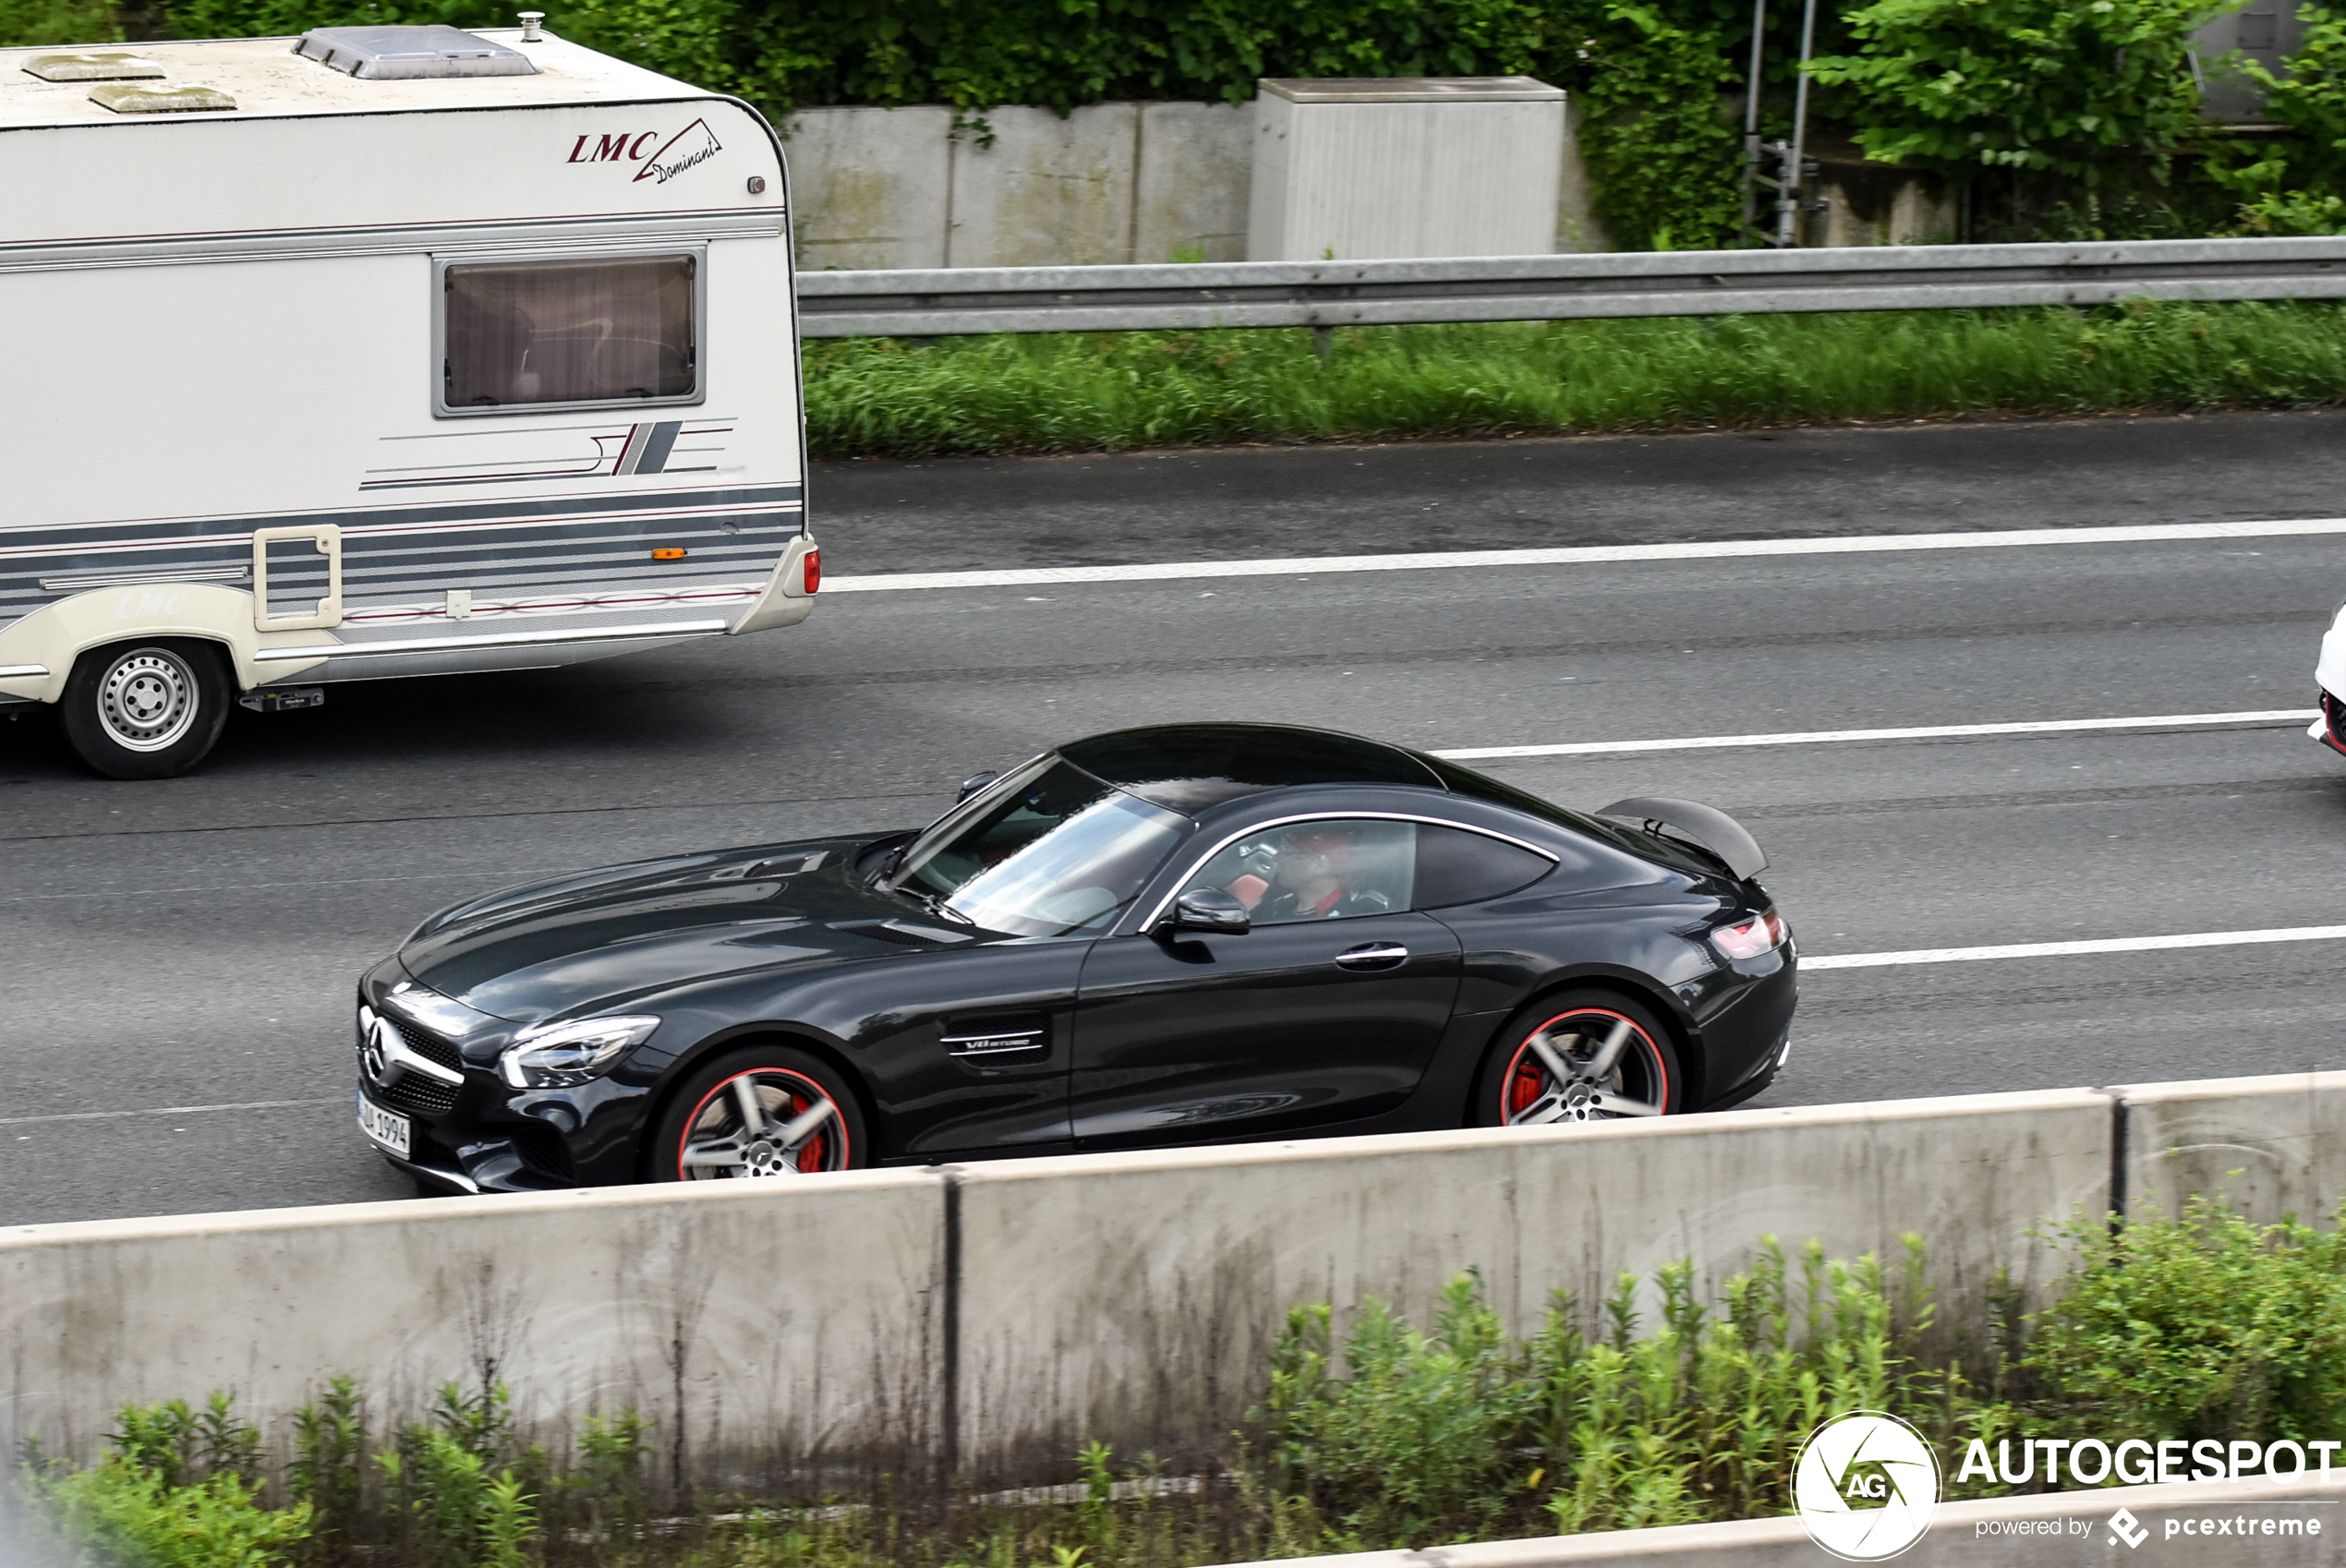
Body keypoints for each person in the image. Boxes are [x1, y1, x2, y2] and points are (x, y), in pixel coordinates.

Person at [1228, 825, 1397, 922]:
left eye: (1287, 851)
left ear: (1320, 866)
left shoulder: (1356, 915)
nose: (1277, 858)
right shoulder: (1277, 906)